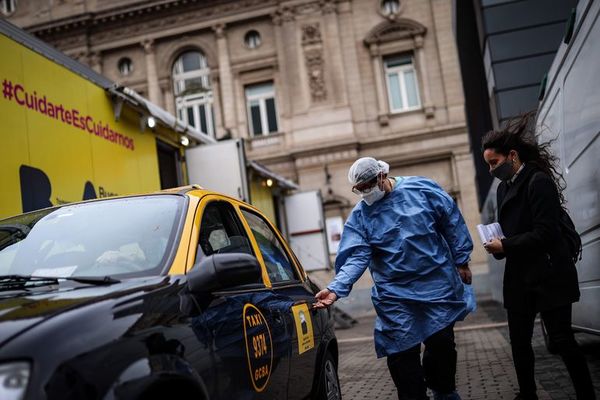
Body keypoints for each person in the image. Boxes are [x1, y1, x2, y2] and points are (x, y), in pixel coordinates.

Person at [314, 157, 475, 400]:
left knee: (441, 344)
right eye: (359, 189)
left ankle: (443, 391)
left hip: (436, 285)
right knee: (401, 356)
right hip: (395, 297)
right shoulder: (361, 217)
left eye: (368, 185)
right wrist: (336, 288)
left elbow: (450, 221)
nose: (365, 192)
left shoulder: (421, 189)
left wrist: (461, 259)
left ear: (381, 176)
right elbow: (356, 257)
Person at [481, 114, 595, 400]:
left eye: (494, 162)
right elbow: (512, 231)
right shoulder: (505, 188)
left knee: (562, 340)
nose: (492, 169)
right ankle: (528, 394)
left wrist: (505, 246)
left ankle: (586, 394)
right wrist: (496, 245)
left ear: (512, 155)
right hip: (520, 277)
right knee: (519, 342)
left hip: (549, 274)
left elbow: (546, 232)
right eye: (488, 165)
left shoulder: (538, 181)